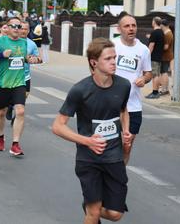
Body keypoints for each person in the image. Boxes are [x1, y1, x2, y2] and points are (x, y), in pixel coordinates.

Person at [52, 38, 132, 224]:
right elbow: (57, 126)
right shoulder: (80, 90)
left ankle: (89, 207)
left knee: (115, 214)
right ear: (93, 62)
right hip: (88, 159)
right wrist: (88, 141)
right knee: (94, 213)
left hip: (114, 157)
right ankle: (91, 209)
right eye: (108, 59)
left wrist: (125, 130)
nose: (114, 62)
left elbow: (122, 109)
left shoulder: (123, 85)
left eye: (115, 57)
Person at [0, 17, 38, 156]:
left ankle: (15, 144)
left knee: (20, 111)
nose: (16, 28)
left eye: (18, 26)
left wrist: (32, 59)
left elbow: (26, 57)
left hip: (19, 83)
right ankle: (0, 137)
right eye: (13, 26)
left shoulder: (24, 42)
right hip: (3, 83)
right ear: (7, 28)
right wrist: (1, 55)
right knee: (1, 112)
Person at [113, 14, 152, 164]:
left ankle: (119, 174)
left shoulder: (143, 50)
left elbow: (148, 73)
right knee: (110, 145)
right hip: (113, 104)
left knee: (127, 145)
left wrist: (144, 79)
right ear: (119, 29)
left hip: (133, 106)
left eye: (133, 25)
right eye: (127, 26)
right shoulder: (112, 45)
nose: (131, 29)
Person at [5, 20, 42, 125]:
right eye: (21, 28)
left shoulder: (32, 44)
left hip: (25, 75)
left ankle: (16, 117)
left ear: (28, 30)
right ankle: (10, 106)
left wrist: (36, 60)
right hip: (11, 74)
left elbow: (38, 57)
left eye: (26, 29)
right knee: (12, 95)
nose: (23, 31)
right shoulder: (10, 41)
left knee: (24, 97)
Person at [145, 17, 164, 99]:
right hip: (159, 55)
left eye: (152, 21)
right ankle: (156, 91)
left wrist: (147, 55)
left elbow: (151, 45)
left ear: (155, 22)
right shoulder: (161, 32)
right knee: (157, 74)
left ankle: (155, 92)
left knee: (154, 75)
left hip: (154, 56)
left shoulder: (155, 32)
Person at [159, 19, 174, 95]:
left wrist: (158, 48)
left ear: (162, 25)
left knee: (164, 72)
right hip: (167, 55)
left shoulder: (168, 34)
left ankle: (165, 90)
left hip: (166, 56)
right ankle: (165, 89)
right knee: (164, 72)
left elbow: (166, 47)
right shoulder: (168, 32)